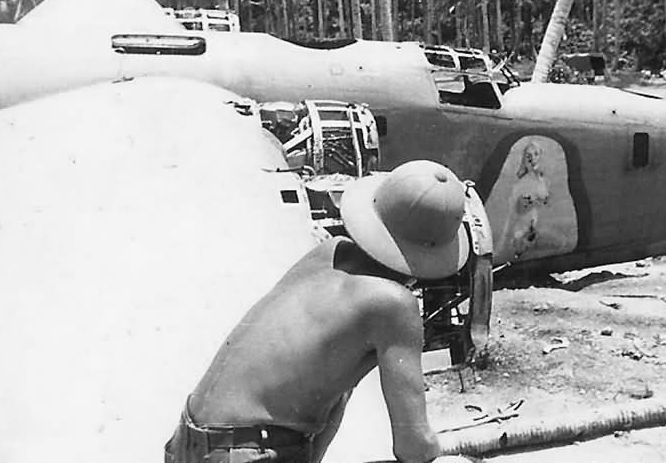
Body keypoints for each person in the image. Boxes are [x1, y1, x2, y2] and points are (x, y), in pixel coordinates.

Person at [165, 160, 477, 463]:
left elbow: (331, 404)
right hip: (248, 453)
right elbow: (414, 447)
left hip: (189, 442)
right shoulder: (393, 304)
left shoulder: (328, 253)